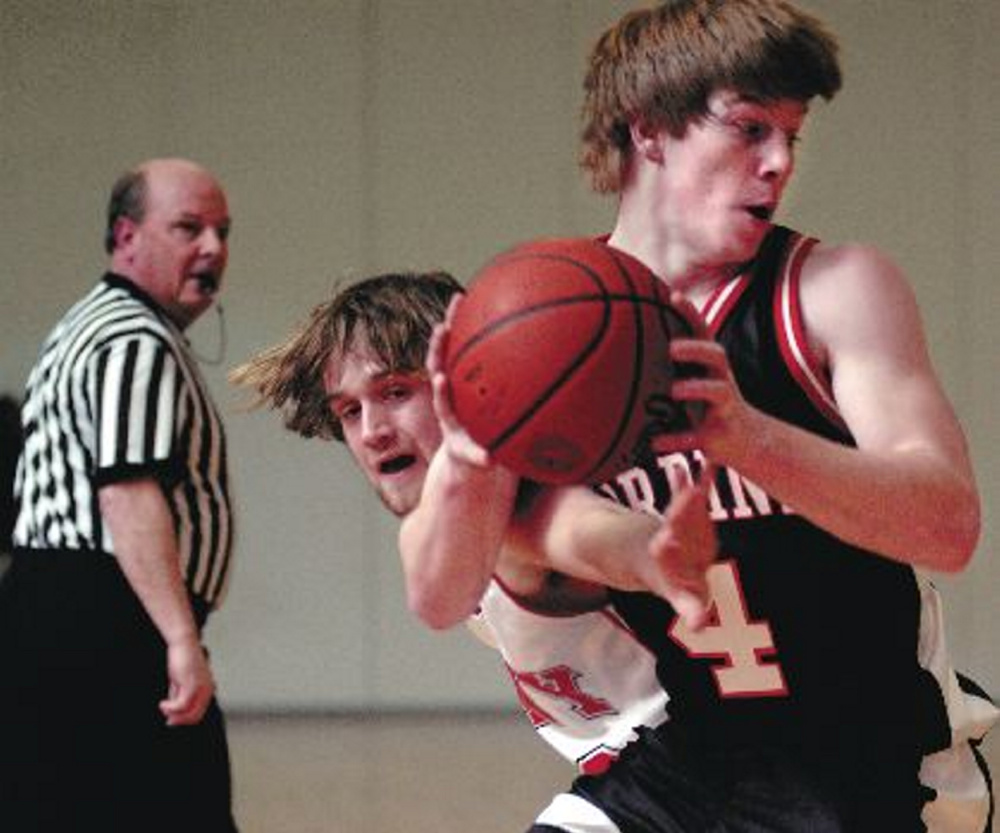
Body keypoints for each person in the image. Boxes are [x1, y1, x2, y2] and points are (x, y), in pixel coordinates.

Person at [232, 271, 995, 832]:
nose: (371, 429)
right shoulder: (447, 529)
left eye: (396, 391)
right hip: (671, 776)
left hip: (851, 768)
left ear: (463, 382)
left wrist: (649, 554)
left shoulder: (537, 498)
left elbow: (584, 535)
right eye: (349, 410)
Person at [0, 158, 239, 832]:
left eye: (222, 231)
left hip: (62, 615)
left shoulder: (96, 323)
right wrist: (179, 637)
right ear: (126, 237)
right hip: (100, 623)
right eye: (189, 227)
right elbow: (127, 493)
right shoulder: (133, 338)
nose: (214, 248)